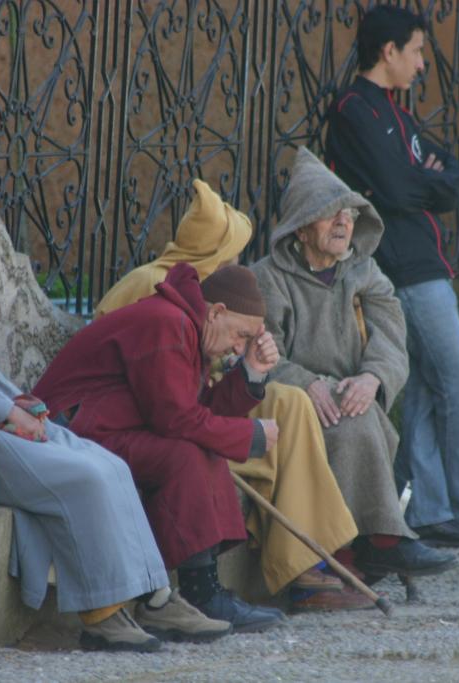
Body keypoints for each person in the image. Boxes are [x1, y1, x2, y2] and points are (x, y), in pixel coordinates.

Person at [0, 164, 231, 652]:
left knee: (109, 466)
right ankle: (102, 613)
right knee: (85, 478)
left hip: (1, 417)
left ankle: (154, 599)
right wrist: (8, 414)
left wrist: (18, 399)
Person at [95, 179, 364, 612]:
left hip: (189, 401)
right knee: (216, 436)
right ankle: (245, 580)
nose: (238, 264)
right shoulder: (156, 288)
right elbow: (168, 397)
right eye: (232, 254)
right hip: (144, 415)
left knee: (290, 401)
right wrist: (246, 430)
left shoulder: (211, 294)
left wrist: (252, 370)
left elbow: (199, 384)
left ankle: (304, 561)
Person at [324, 5, 459, 548]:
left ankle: (437, 512)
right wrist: (430, 183)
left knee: (426, 392)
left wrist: (437, 181)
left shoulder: (398, 114)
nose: (421, 65)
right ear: (388, 51)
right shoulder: (353, 110)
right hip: (403, 268)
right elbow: (395, 189)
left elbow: (446, 172)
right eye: (416, 52)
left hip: (422, 265)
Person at [33, 263, 287, 632]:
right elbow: (177, 420)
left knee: (198, 444)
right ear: (216, 312)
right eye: (240, 336)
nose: (238, 347)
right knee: (185, 452)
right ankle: (201, 595)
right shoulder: (168, 323)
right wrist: (252, 437)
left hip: (104, 429)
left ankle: (202, 591)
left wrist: (251, 372)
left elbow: (192, 411)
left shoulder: (185, 324)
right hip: (66, 434)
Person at [251, 147, 456, 580]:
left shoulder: (363, 271)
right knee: (357, 425)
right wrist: (308, 383)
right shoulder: (268, 278)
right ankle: (368, 547)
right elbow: (261, 353)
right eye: (330, 214)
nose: (344, 222)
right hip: (294, 401)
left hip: (348, 393)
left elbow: (391, 334)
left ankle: (370, 545)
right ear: (301, 228)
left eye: (349, 213)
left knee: (361, 414)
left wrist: (372, 376)